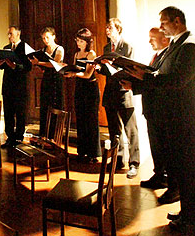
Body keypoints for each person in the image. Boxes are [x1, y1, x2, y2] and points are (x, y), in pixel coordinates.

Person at [127, 7, 195, 234]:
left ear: (177, 21)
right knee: (180, 167)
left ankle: (190, 217)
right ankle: (186, 211)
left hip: (184, 116)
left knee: (187, 170)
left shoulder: (189, 46)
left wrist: (143, 78)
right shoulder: (176, 44)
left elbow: (176, 80)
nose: (162, 28)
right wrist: (138, 81)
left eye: (164, 23)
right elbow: (160, 74)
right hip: (173, 115)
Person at [124, 28, 171, 192]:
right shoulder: (157, 56)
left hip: (160, 109)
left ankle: (166, 180)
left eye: (153, 38)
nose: (150, 41)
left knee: (164, 147)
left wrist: (139, 80)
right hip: (151, 109)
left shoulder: (168, 56)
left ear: (165, 40)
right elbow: (150, 82)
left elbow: (160, 84)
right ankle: (158, 175)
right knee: (156, 146)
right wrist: (133, 85)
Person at [99, 18, 140, 178]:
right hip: (110, 92)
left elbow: (131, 68)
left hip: (124, 92)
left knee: (131, 130)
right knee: (114, 130)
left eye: (110, 28)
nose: (107, 31)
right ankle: (119, 159)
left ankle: (134, 164)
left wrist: (113, 66)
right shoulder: (106, 47)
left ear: (118, 29)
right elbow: (106, 70)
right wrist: (100, 67)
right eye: (106, 28)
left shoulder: (127, 47)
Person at [64, 28, 101, 162]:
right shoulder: (76, 54)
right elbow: (75, 69)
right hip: (80, 88)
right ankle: (82, 151)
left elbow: (87, 74)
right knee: (81, 119)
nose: (78, 43)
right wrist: (67, 70)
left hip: (90, 88)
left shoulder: (91, 54)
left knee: (91, 120)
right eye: (77, 41)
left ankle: (93, 154)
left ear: (87, 41)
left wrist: (73, 74)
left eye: (81, 41)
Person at [0, 25, 32, 147]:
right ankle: (10, 137)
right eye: (8, 34)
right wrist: (0, 62)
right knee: (8, 113)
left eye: (11, 33)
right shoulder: (6, 48)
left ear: (18, 33)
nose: (9, 36)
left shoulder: (24, 47)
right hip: (7, 85)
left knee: (20, 112)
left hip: (19, 86)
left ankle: (18, 138)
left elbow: (28, 67)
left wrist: (15, 66)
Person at [30, 26, 64, 136]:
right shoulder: (43, 50)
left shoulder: (59, 49)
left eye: (48, 37)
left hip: (56, 81)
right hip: (46, 80)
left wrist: (39, 63)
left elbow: (55, 64)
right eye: (43, 38)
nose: (45, 40)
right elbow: (43, 67)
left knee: (55, 107)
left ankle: (54, 136)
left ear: (53, 36)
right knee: (44, 107)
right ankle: (44, 135)